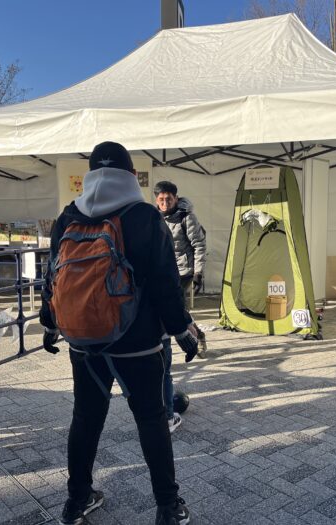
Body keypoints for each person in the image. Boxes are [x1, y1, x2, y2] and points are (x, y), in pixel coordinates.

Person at [40, 142, 196, 525]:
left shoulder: (69, 215)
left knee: (86, 419)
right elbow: (165, 283)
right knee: (152, 420)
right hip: (138, 344)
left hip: (84, 343)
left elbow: (52, 276)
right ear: (129, 176)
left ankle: (76, 500)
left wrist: (49, 323)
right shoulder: (143, 216)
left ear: (91, 175)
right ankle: (168, 507)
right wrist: (181, 330)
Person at [154, 181, 208, 433]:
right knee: (177, 311)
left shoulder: (187, 217)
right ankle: (194, 335)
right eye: (161, 199)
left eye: (169, 199)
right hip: (163, 271)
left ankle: (191, 337)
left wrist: (198, 273)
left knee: (176, 308)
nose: (165, 203)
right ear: (156, 200)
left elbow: (199, 245)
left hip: (182, 271)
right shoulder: (153, 217)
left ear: (176, 198)